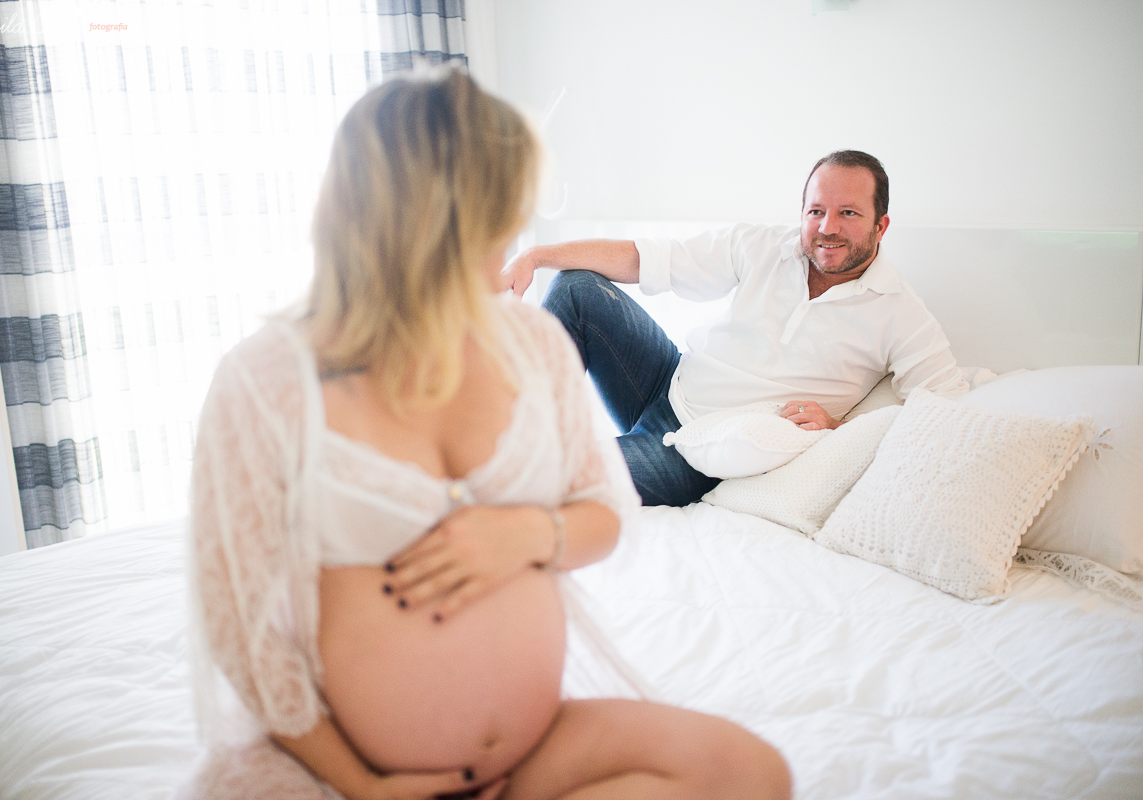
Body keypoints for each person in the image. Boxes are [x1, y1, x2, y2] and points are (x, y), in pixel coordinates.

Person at [184, 69, 790, 800]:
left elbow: (604, 513)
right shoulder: (268, 379)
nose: (510, 241)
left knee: (750, 774)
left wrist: (528, 535)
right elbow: (236, 623)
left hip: (531, 753)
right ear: (423, 218)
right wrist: (364, 787)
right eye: (498, 214)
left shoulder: (530, 343)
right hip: (360, 774)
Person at [502, 151, 968, 507]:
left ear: (880, 226)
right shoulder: (763, 245)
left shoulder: (899, 312)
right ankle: (499, 428)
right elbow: (647, 258)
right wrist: (535, 256)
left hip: (697, 453)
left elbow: (945, 407)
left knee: (551, 476)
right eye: (815, 211)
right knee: (576, 287)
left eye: (848, 213)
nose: (827, 227)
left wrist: (840, 425)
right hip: (666, 381)